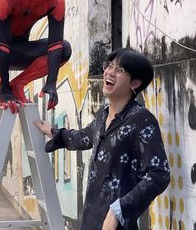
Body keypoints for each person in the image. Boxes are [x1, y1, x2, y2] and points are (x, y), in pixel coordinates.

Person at [34, 47, 170, 230]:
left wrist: (118, 210)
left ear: (135, 83)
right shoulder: (103, 115)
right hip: (91, 218)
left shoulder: (142, 120)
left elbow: (159, 174)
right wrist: (53, 132)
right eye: (110, 66)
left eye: (120, 70)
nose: (110, 72)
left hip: (116, 224)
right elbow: (83, 137)